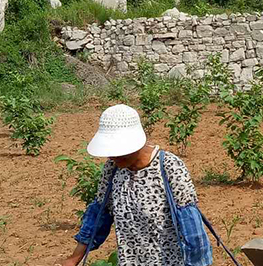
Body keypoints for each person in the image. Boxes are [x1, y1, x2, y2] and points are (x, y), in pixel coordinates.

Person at [57, 104, 212, 266]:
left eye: (118, 151)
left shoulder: (168, 167)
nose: (113, 157)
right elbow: (99, 216)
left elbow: (193, 232)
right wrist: (74, 259)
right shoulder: (112, 169)